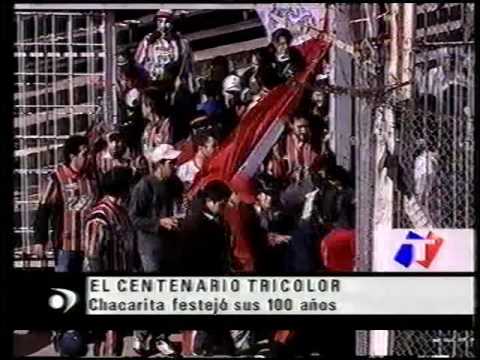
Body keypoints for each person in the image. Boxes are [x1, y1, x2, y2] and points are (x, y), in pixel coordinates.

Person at [128, 143, 183, 356]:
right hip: (150, 248)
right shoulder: (144, 186)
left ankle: (161, 336)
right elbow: (134, 218)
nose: (175, 166)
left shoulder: (174, 184)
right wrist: (159, 223)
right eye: (171, 163)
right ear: (160, 164)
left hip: (170, 246)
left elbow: (181, 203)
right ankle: (141, 334)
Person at [83, 167, 142, 356]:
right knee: (107, 335)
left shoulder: (121, 212)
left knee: (117, 336)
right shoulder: (100, 216)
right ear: (122, 188)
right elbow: (93, 255)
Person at [177, 180, 232, 357]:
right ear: (210, 202)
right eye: (222, 204)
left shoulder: (217, 221)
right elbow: (189, 256)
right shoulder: (195, 224)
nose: (224, 208)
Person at [33, 135, 98, 272]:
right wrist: (40, 240)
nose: (88, 158)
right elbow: (44, 210)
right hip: (67, 246)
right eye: (84, 154)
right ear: (72, 156)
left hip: (90, 245)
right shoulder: (56, 178)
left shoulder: (92, 176)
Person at [141, 85, 173, 153]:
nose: (141, 108)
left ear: (150, 106)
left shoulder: (167, 125)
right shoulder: (148, 128)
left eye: (143, 104)